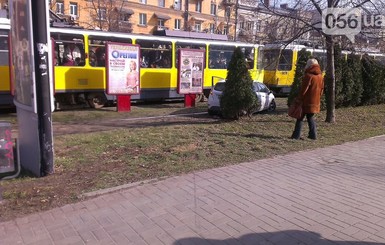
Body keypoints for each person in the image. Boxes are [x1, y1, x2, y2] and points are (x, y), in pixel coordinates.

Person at [290, 58, 324, 140]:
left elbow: (303, 90)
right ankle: (313, 135)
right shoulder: (320, 76)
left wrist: (299, 99)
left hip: (306, 102)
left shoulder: (308, 76)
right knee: (310, 118)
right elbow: (322, 90)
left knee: (300, 118)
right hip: (315, 102)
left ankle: (296, 136)